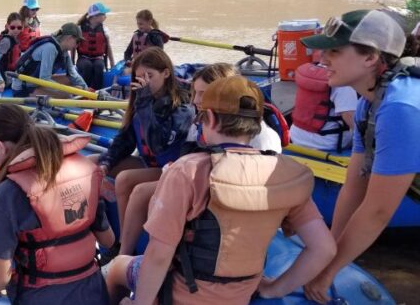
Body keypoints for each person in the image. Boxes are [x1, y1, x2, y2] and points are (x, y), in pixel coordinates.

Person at [106, 75, 336, 305]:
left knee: (115, 268)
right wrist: (274, 289)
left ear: (211, 118)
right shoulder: (286, 176)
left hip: (182, 294)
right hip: (242, 294)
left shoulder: (189, 172)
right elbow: (324, 249)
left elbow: (158, 256)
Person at [300, 9, 420, 303]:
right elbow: (354, 188)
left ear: (371, 58)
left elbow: (377, 211)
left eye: (334, 51)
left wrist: (326, 274)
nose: (322, 59)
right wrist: (327, 255)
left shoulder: (402, 108)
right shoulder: (369, 104)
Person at [108, 62, 282, 260]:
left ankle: (153, 258)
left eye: (203, 94)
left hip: (226, 195)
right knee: (144, 188)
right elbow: (191, 155)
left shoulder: (262, 138)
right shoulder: (204, 123)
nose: (196, 100)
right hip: (205, 184)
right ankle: (127, 253)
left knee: (149, 194)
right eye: (195, 93)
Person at [0, 104, 114, 305]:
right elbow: (108, 240)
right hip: (93, 293)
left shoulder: (8, 193)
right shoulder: (85, 170)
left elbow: (1, 276)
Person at [95, 47, 195, 251]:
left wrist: (144, 101)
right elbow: (125, 140)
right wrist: (106, 163)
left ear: (165, 73)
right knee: (91, 165)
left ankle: (124, 248)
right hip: (151, 165)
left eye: (149, 76)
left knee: (125, 180)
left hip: (172, 169)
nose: (144, 82)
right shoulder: (142, 102)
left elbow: (158, 144)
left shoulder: (182, 107)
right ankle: (104, 234)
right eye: (140, 77)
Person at [290, 61, 358, 152]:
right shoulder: (343, 81)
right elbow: (350, 118)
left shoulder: (310, 71)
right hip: (326, 143)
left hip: (296, 137)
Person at [11, 22, 88, 97]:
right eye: (77, 42)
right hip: (24, 87)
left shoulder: (63, 51)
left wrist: (86, 90)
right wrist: (69, 90)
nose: (77, 46)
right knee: (68, 95)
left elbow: (73, 74)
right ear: (69, 38)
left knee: (71, 80)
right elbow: (44, 79)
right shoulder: (50, 48)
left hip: (38, 81)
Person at [73, 2, 115, 90]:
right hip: (83, 58)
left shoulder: (104, 29)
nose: (105, 17)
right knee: (87, 65)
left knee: (99, 66)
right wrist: (72, 62)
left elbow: (108, 48)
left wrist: (112, 63)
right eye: (103, 14)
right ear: (95, 16)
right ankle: (85, 90)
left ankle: (98, 91)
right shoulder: (80, 28)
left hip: (98, 58)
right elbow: (73, 47)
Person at [0, 12, 23, 92]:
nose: (16, 30)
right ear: (7, 26)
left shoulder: (15, 39)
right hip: (6, 78)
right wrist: (0, 81)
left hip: (12, 74)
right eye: (13, 27)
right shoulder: (6, 41)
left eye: (19, 27)